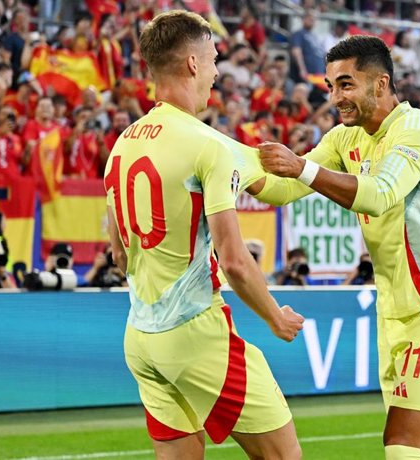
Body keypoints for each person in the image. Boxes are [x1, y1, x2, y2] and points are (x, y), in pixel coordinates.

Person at [251, 35, 420, 460]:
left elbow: (379, 193)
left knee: (401, 444)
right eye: (331, 85)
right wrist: (215, 159)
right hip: (392, 312)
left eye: (346, 84)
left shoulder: (417, 128)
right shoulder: (344, 139)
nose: (335, 97)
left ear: (380, 84)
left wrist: (301, 167)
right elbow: (282, 189)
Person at [103, 11, 304, 460]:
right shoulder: (207, 145)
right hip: (196, 335)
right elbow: (234, 260)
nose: (216, 73)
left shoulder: (123, 144)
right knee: (284, 457)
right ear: (193, 64)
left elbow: (119, 254)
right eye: (213, 60)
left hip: (141, 337)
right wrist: (275, 317)